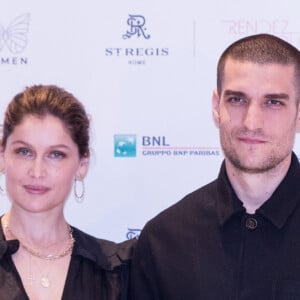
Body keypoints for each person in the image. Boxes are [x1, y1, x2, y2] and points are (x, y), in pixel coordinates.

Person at [130, 33, 300, 299]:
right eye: (237, 99)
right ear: (216, 106)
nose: (251, 122)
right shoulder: (164, 239)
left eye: (273, 102)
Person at [0, 85, 135, 300]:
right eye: (24, 152)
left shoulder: (112, 272)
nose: (37, 171)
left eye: (55, 154)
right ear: (2, 155)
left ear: (82, 164)